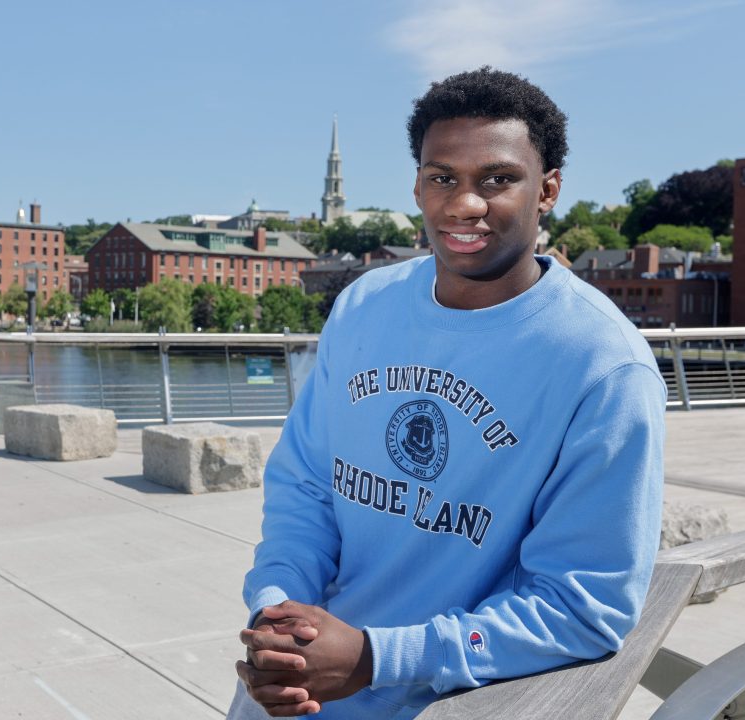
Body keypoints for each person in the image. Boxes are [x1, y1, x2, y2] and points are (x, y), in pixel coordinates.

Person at [228, 66, 666, 720]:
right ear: (417, 186)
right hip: (294, 685)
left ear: (547, 191)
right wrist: (277, 607)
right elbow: (307, 484)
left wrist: (377, 658)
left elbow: (583, 608)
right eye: (443, 178)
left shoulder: (601, 365)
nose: (464, 205)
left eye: (497, 179)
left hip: (446, 703)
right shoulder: (363, 306)